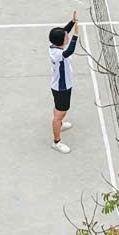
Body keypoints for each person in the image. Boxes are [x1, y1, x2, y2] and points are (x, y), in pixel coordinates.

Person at [48, 14, 80, 154]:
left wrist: (72, 22)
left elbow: (64, 31)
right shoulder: (59, 54)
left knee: (59, 109)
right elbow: (70, 50)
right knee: (60, 114)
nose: (67, 36)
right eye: (66, 36)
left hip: (59, 85)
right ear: (62, 41)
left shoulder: (53, 46)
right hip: (62, 87)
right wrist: (76, 35)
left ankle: (59, 123)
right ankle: (57, 142)